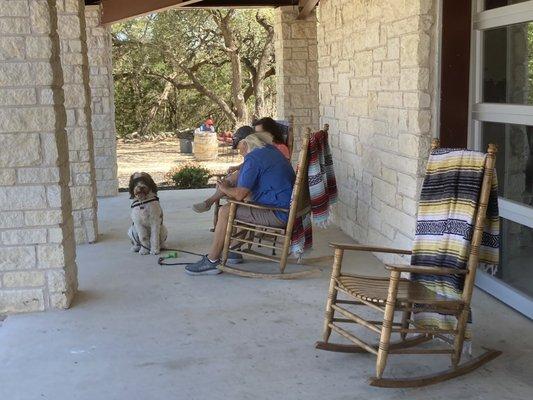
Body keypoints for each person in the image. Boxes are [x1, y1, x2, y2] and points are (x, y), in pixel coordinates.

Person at [185, 134, 296, 275]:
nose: (240, 152)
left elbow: (239, 195)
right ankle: (234, 250)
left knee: (226, 210)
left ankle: (212, 260)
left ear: (245, 144)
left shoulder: (253, 158)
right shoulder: (270, 151)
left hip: (278, 213)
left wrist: (225, 189)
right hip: (287, 207)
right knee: (241, 193)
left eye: (239, 148)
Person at [192, 125, 254, 214]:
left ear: (244, 142)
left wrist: (225, 188)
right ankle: (211, 202)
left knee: (224, 208)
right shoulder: (254, 153)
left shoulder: (257, 153)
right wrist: (237, 167)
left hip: (255, 192)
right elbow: (249, 164)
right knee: (227, 182)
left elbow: (252, 165)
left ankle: (210, 202)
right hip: (247, 185)